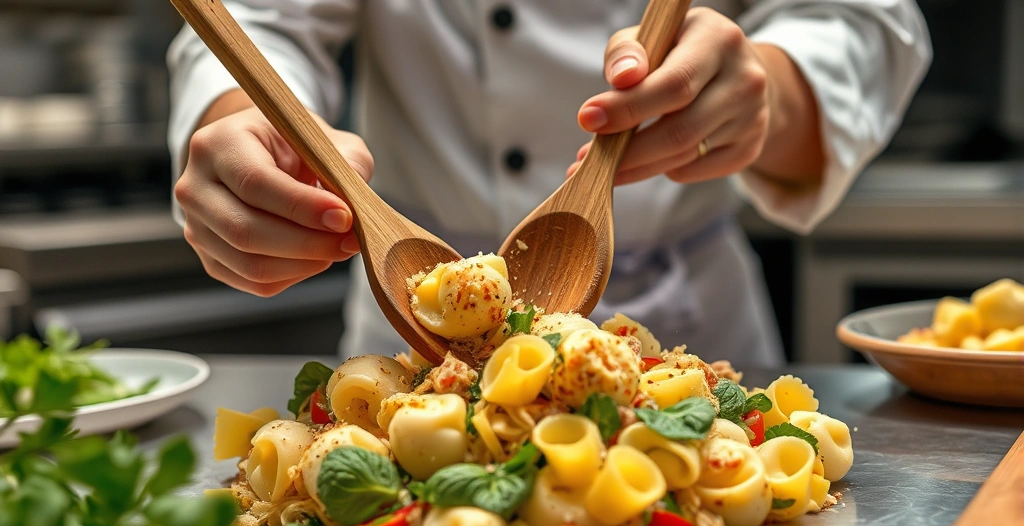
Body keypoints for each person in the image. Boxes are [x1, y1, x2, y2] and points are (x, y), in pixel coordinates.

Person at [167, 0, 931, 368]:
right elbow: (260, 16)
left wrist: (763, 90)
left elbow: (860, 20)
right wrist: (243, 122)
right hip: (412, 336)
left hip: (698, 327)